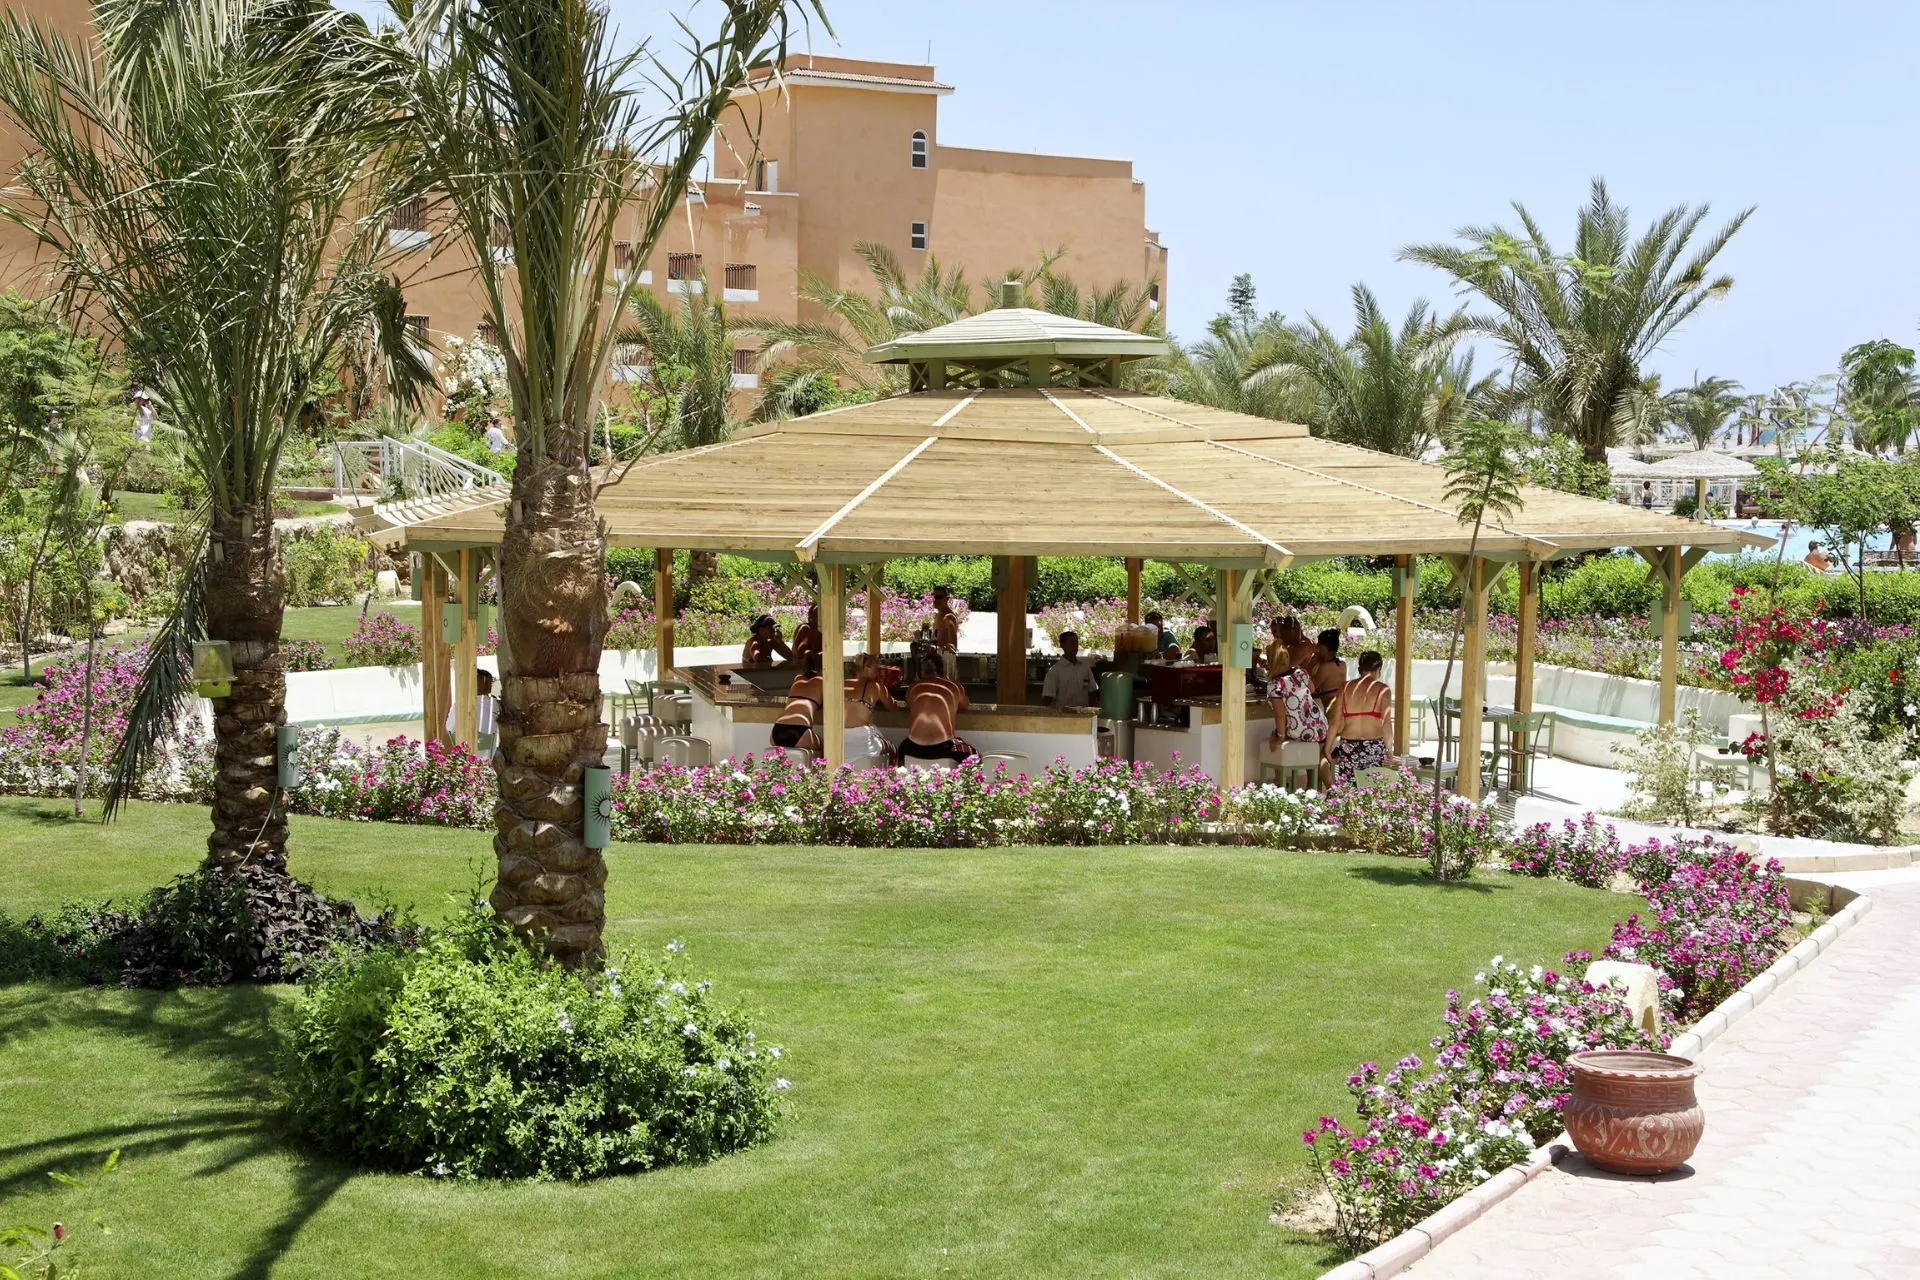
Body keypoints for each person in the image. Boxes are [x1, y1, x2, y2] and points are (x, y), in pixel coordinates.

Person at [1322, 651, 1394, 787]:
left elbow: (1335, 723)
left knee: (1349, 792)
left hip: (1349, 747)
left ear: (1360, 669)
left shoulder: (1345, 687)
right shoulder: (1383, 690)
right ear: (1378, 669)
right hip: (1374, 747)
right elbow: (1386, 723)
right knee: (1373, 790)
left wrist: (1327, 747)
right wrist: (1389, 750)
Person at [900, 652, 973, 764]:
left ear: (922, 671)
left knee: (900, 749)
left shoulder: (913, 688)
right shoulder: (955, 687)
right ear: (942, 669)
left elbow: (909, 704)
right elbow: (965, 705)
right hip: (944, 749)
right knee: (974, 757)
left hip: (912, 749)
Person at [844, 652, 898, 763]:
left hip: (839, 739)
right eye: (875, 667)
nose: (878, 670)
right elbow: (893, 708)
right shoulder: (876, 687)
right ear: (867, 668)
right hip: (863, 740)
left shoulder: (841, 684)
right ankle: (889, 778)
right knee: (893, 749)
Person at [1265, 659, 1327, 752]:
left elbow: (1280, 715)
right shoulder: (1301, 673)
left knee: (1274, 737)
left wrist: (1280, 736)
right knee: (1319, 758)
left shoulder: (1274, 685)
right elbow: (1312, 689)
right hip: (1320, 726)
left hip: (1300, 732)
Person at [770, 657, 825, 753]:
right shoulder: (821, 681)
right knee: (828, 746)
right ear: (822, 668)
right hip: (800, 729)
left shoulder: (798, 678)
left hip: (777, 730)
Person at [445, 668, 498, 760]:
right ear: (489, 687)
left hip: (464, 759)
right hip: (489, 759)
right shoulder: (495, 705)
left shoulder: (459, 705)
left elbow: (449, 729)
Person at [1041, 630, 1101, 708]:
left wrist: (1095, 709)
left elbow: (1092, 691)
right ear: (1062, 645)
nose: (1075, 646)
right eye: (1072, 642)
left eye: (1076, 642)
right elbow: (1048, 698)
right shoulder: (1055, 671)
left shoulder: (1085, 668)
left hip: (1083, 715)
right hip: (1063, 716)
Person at [1308, 628, 1346, 710]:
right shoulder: (1342, 664)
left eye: (1319, 644)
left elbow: (1310, 688)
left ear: (1325, 647)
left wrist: (1311, 664)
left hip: (1328, 707)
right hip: (1340, 704)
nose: (1317, 646)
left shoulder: (1325, 667)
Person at [931, 586, 960, 679]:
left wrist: (938, 648)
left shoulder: (949, 617)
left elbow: (953, 647)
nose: (935, 600)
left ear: (947, 599)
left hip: (945, 665)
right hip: (935, 665)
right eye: (933, 597)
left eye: (938, 597)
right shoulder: (937, 616)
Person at [791, 603, 821, 668]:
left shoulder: (824, 632)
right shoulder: (805, 629)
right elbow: (802, 653)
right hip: (803, 669)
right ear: (810, 619)